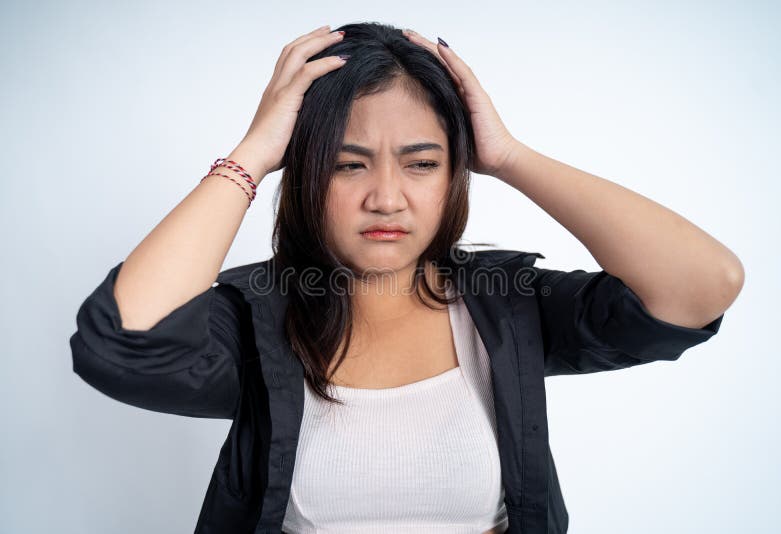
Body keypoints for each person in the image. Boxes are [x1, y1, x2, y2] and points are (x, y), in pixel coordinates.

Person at [69, 21, 744, 534]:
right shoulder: (258, 318)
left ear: (457, 172)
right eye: (347, 163)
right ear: (304, 173)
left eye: (421, 163)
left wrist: (510, 156)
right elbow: (122, 342)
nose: (387, 197)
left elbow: (703, 284)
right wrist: (254, 151)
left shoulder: (509, 309)